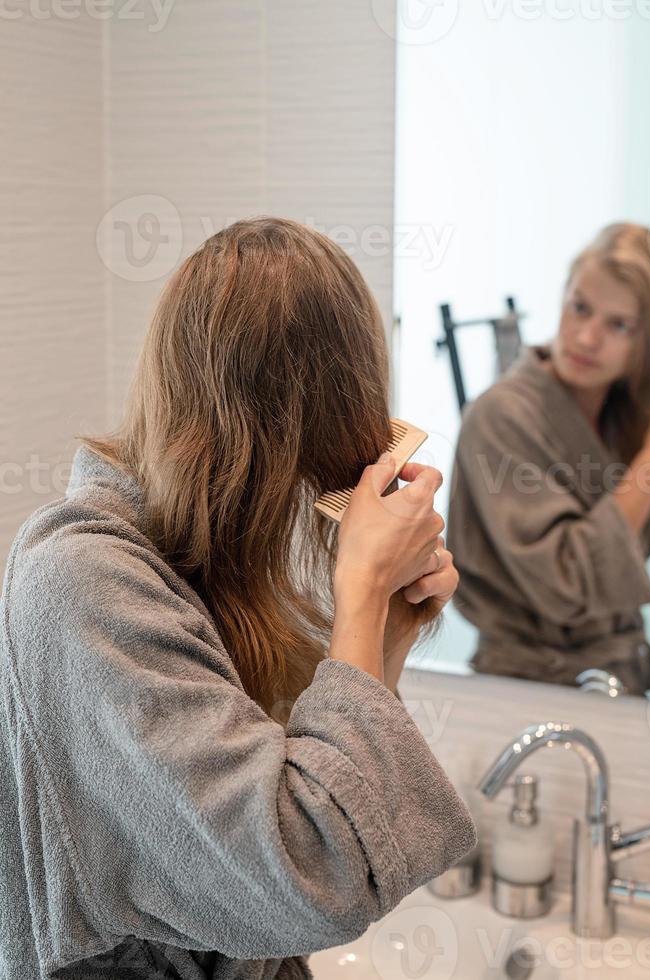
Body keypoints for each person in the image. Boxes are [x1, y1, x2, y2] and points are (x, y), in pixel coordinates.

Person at [0, 217, 477, 979]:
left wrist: (386, 620)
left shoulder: (203, 570)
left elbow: (314, 795)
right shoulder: (80, 582)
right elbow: (313, 869)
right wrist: (356, 593)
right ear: (289, 431)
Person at [447, 222, 650, 695]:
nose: (587, 338)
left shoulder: (630, 417)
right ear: (563, 296)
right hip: (524, 687)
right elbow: (565, 582)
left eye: (618, 325)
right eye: (580, 308)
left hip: (624, 680)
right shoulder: (501, 417)